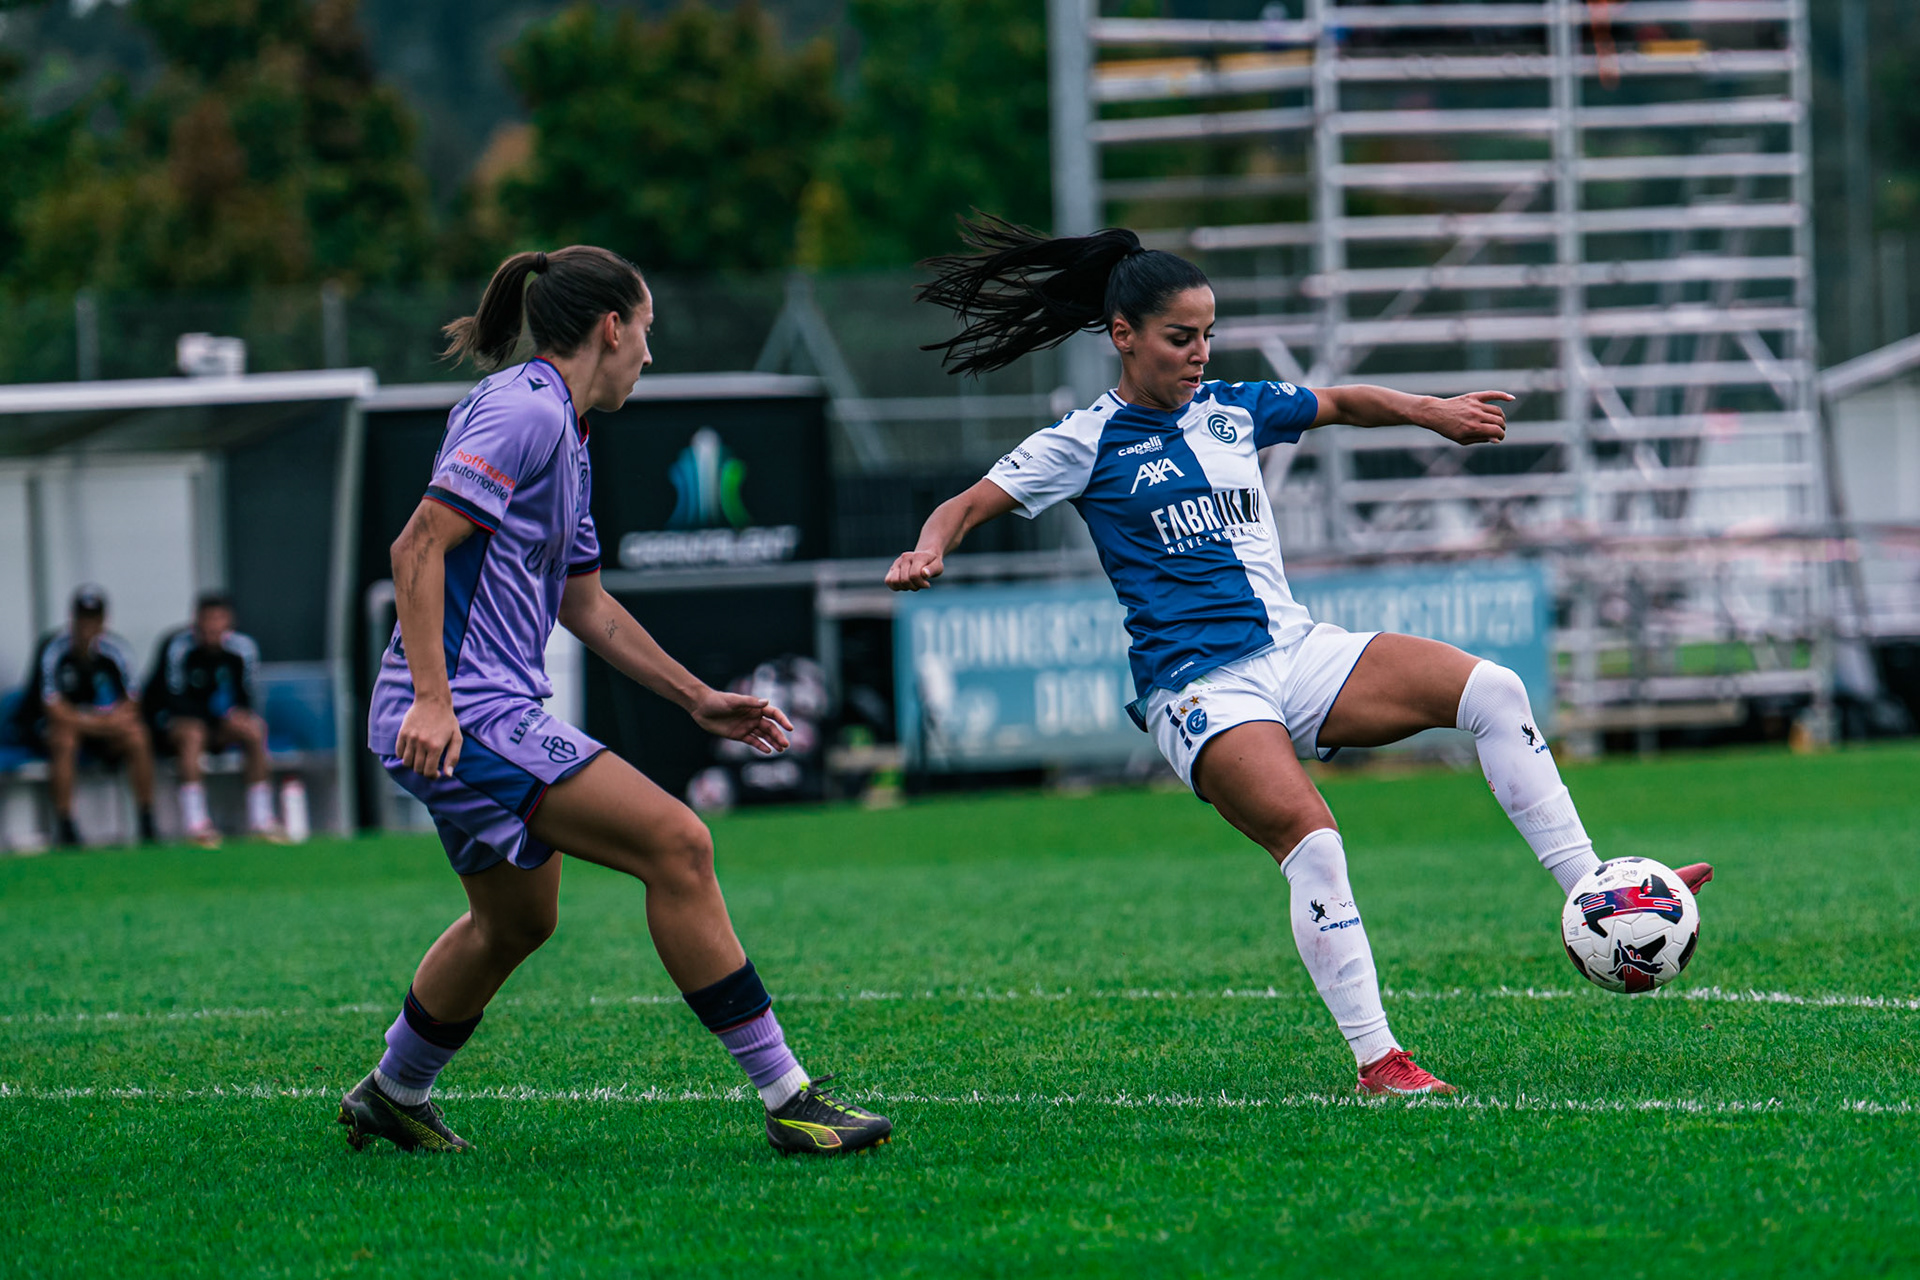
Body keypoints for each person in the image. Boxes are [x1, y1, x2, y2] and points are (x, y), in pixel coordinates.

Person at [890, 217, 1714, 1097]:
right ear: (1122, 337)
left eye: (1208, 334)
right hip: (1200, 686)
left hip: (1297, 650)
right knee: (1315, 842)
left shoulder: (1232, 410)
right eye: (1180, 338)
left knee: (1492, 688)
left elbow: (1341, 400)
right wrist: (929, 548)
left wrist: (1428, 412)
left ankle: (1596, 889)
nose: (1199, 352)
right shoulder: (1084, 441)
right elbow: (969, 502)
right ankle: (1380, 1062)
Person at [340, 245, 891, 1156]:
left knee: (517, 920)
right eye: (647, 333)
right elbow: (415, 549)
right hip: (465, 711)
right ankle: (789, 1096)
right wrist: (432, 702)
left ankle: (394, 1090)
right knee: (679, 844)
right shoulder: (523, 411)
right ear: (610, 327)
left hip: (481, 705)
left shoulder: (563, 428)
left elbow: (583, 602)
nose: (648, 354)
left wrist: (697, 698)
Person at [14, 585, 157, 847]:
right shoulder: (53, 649)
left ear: (103, 621)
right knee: (65, 739)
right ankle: (66, 824)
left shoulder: (116, 650)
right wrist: (94, 722)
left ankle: (147, 819)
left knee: (137, 735)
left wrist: (106, 723)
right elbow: (53, 707)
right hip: (65, 728)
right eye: (82, 619)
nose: (86, 626)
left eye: (93, 620)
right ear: (73, 619)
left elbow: (132, 703)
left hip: (101, 729)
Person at [142, 592, 285, 847]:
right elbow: (173, 699)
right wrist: (219, 718)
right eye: (207, 619)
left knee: (253, 730)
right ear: (196, 621)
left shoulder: (242, 649)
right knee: (193, 733)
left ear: (229, 622)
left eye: (219, 619)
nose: (212, 626)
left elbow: (245, 697)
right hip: (174, 727)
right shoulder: (177, 646)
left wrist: (237, 716)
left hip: (217, 725)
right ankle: (197, 824)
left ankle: (262, 820)